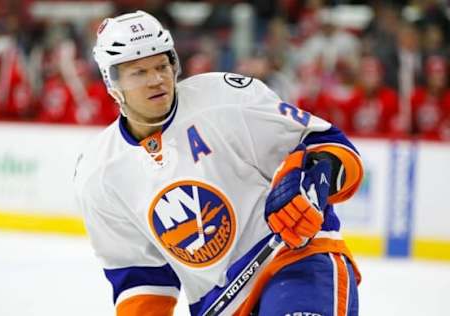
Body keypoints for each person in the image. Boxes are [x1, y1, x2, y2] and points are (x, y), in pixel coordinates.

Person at [74, 10, 363, 316]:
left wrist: (317, 178)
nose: (156, 80)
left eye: (162, 66)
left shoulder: (225, 99)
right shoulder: (99, 172)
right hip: (218, 304)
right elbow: (140, 277)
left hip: (297, 262)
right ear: (112, 83)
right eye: (139, 72)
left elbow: (328, 143)